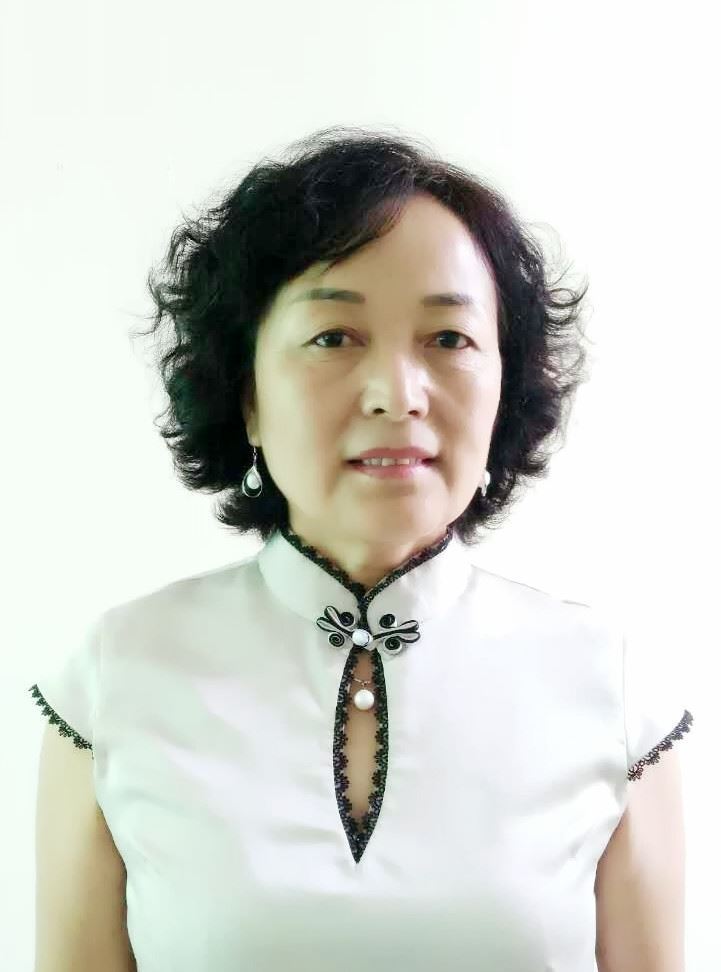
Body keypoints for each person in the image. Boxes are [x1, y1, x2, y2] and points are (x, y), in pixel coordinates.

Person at [29, 126, 693, 970]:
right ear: (245, 393)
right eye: (334, 337)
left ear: (505, 386)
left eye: (448, 339)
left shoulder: (609, 688)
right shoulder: (118, 676)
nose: (396, 394)